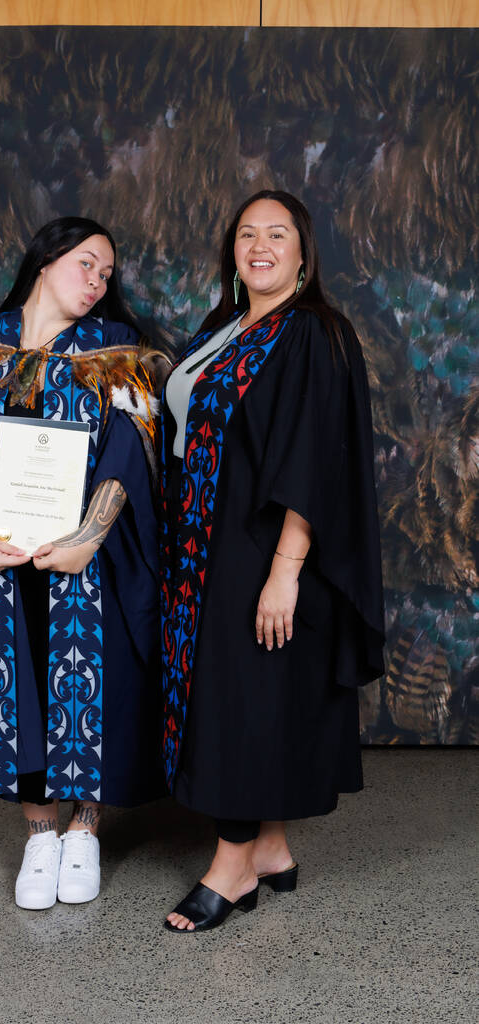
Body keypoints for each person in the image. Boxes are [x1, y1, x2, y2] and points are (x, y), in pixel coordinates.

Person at [0, 217, 163, 910]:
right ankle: (39, 833)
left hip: (83, 557)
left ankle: (85, 828)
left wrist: (87, 538)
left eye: (106, 275)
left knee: (88, 684)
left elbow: (126, 461)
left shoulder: (112, 351)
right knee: (14, 686)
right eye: (86, 264)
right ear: (45, 261)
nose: (96, 283)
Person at [160, 190, 385, 932]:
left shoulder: (313, 334)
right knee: (253, 699)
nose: (259, 244)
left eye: (276, 234)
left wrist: (285, 569)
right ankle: (273, 849)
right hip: (208, 548)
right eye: (246, 233)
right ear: (231, 251)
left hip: (264, 551)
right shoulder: (225, 327)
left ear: (301, 252)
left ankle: (229, 870)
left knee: (241, 704)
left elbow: (319, 459)